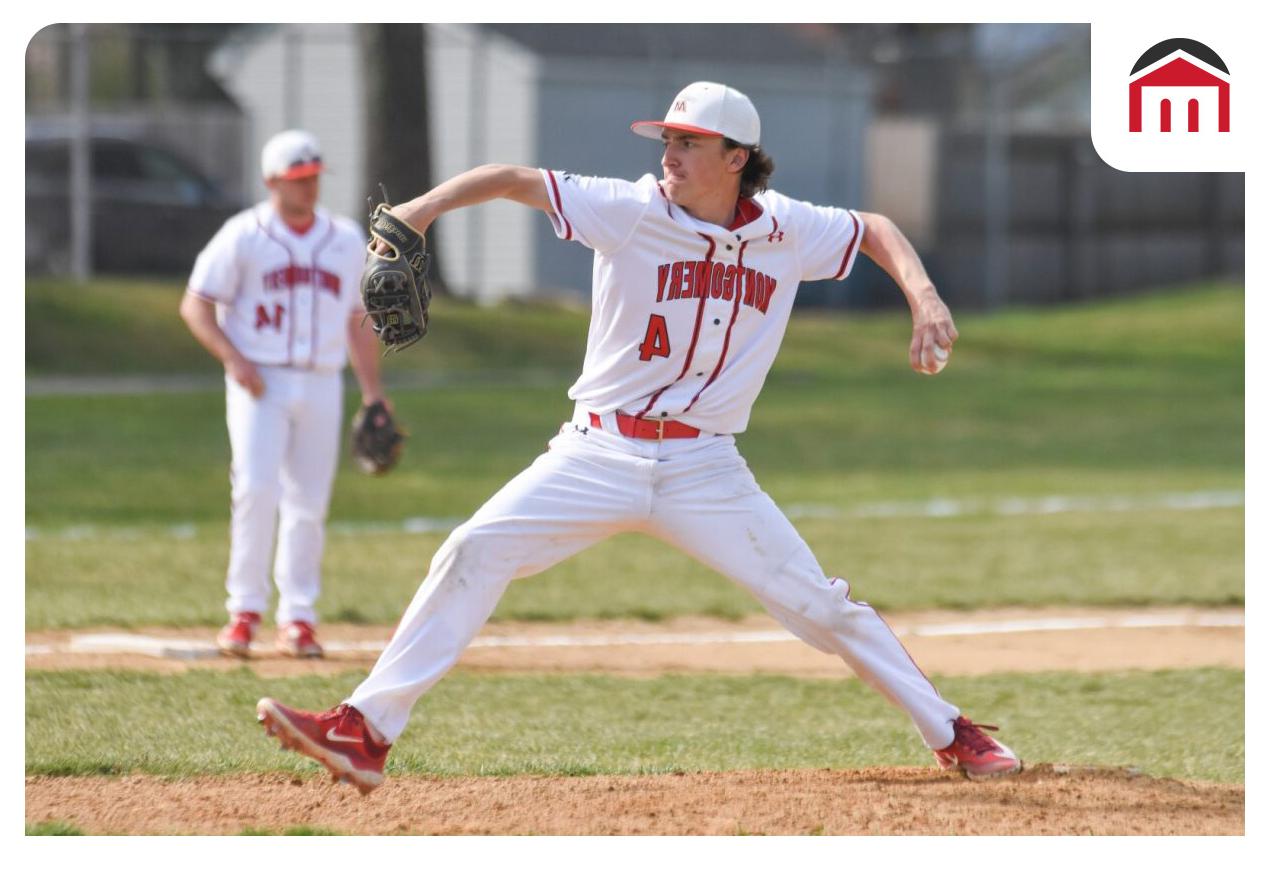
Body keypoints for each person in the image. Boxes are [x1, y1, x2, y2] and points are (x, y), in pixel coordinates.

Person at [256, 83, 1020, 793]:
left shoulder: (787, 229)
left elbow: (876, 229)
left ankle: (951, 729)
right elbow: (512, 176)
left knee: (822, 608)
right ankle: (365, 731)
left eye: (690, 142)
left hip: (705, 467)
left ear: (737, 159)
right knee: (472, 549)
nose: (670, 153)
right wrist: (419, 211)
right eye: (668, 138)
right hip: (597, 452)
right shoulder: (629, 209)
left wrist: (923, 296)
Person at [180, 129, 389, 659]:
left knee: (309, 501)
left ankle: (298, 617)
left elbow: (357, 319)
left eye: (315, 177)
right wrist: (234, 358)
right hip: (261, 381)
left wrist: (372, 394)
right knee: (255, 489)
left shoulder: (343, 239)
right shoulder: (242, 235)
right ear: (272, 180)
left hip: (321, 379)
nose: (310, 187)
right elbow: (195, 305)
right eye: (299, 179)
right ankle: (244, 612)